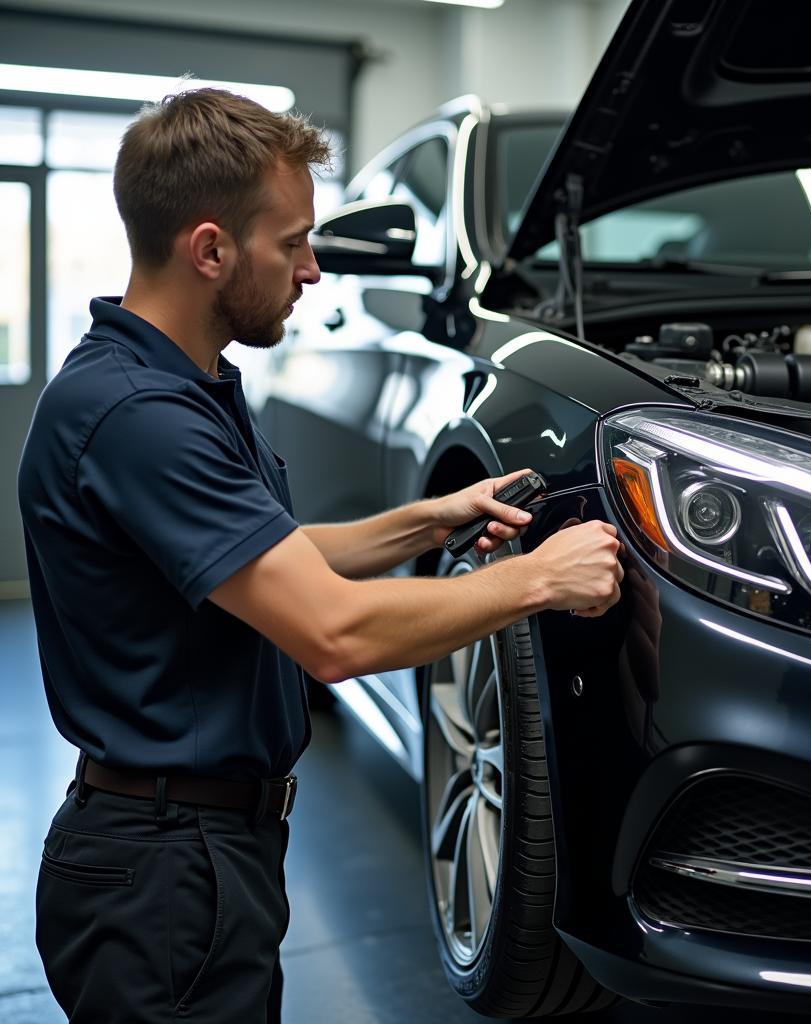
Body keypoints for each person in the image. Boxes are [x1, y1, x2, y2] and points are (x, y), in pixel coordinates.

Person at [17, 88, 623, 1023]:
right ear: (211, 249)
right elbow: (332, 636)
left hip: (198, 851)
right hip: (162, 875)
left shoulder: (185, 384)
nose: (313, 269)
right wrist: (539, 579)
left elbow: (272, 556)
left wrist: (428, 520)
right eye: (293, 242)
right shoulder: (140, 417)